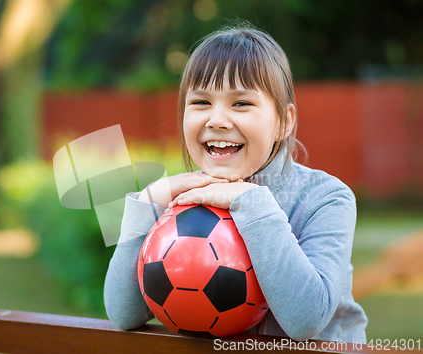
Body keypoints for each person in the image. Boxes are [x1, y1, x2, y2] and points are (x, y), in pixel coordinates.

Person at [104, 24, 368, 343]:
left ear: (284, 122)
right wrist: (146, 204)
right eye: (201, 102)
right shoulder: (182, 202)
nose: (217, 119)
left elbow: (306, 321)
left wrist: (251, 201)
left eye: (241, 103)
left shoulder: (326, 198)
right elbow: (123, 313)